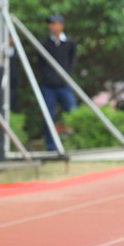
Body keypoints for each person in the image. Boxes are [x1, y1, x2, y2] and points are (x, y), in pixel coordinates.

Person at [39, 14, 77, 151]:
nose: (51, 26)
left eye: (54, 23)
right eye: (50, 23)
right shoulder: (44, 43)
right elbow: (41, 64)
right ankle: (51, 147)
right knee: (48, 117)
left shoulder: (70, 43)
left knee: (73, 114)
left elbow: (72, 61)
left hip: (64, 86)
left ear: (61, 25)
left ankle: (74, 144)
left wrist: (65, 76)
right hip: (48, 86)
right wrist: (49, 77)